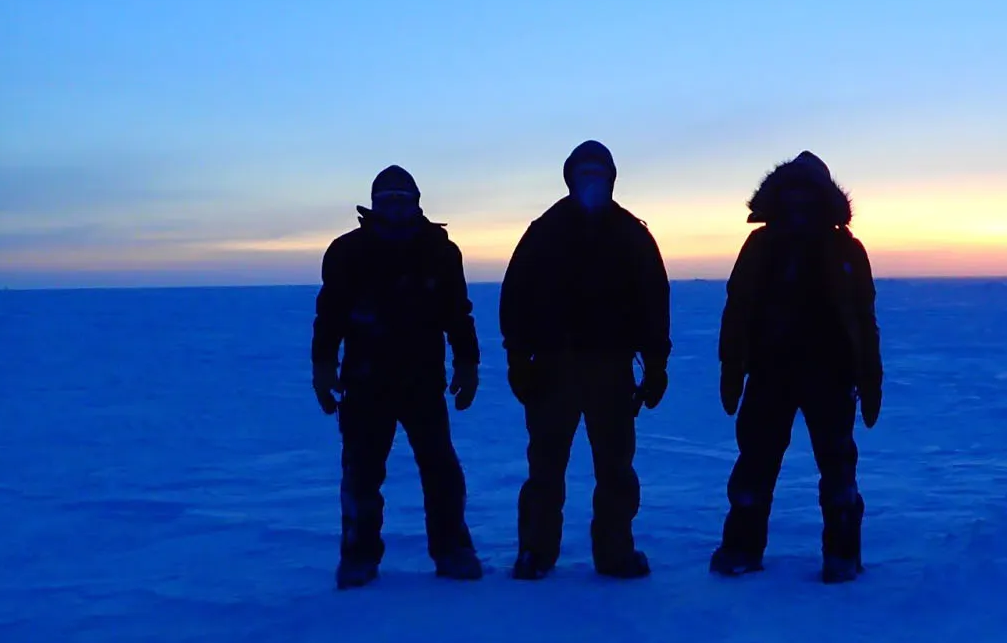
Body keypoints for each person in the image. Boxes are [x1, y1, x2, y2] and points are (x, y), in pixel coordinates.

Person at [499, 140, 672, 580]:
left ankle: (615, 553)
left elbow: (655, 301)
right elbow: (515, 297)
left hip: (611, 370)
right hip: (552, 368)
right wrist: (519, 358)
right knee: (545, 467)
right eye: (584, 174)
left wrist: (655, 365)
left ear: (612, 178)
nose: (591, 182)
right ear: (570, 178)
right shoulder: (545, 231)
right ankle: (535, 551)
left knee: (615, 467)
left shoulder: (631, 234)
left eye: (599, 174)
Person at [708, 151, 883, 584]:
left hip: (831, 375)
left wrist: (870, 378)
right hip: (770, 372)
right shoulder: (761, 246)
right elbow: (738, 310)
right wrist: (732, 369)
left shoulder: (846, 249)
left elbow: (862, 317)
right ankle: (742, 548)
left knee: (837, 467)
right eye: (794, 195)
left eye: (809, 195)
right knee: (755, 465)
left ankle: (841, 555)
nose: (800, 204)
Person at [311, 165, 484, 589]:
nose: (394, 207)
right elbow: (329, 315)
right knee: (361, 473)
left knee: (441, 469)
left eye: (402, 199)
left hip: (423, 380)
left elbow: (457, 313)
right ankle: (358, 555)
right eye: (386, 199)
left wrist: (467, 362)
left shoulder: (440, 251)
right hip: (365, 381)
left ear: (417, 202)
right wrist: (322, 366)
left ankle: (452, 548)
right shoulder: (347, 252)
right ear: (373, 204)